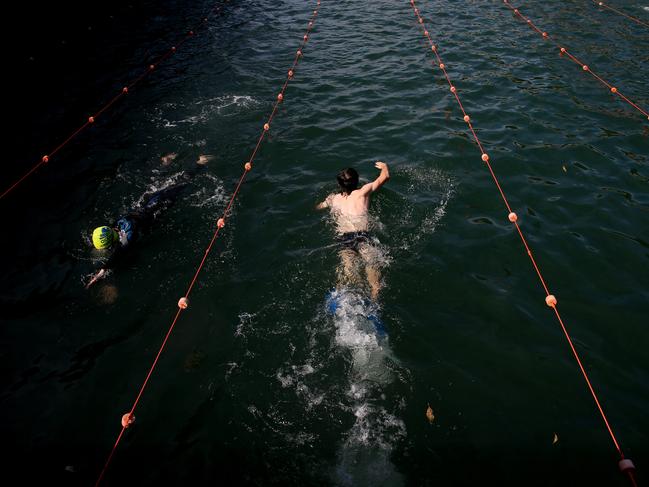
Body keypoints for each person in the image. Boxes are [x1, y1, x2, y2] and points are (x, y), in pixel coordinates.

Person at [86, 165, 201, 288]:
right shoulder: (115, 225)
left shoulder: (127, 238)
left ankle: (200, 164)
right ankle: (169, 162)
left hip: (160, 204)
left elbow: (118, 255)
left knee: (183, 184)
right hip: (150, 203)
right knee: (168, 185)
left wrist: (101, 272)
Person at [317, 161, 390, 300]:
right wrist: (384, 167)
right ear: (357, 181)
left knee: (348, 273)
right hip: (362, 236)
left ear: (339, 184)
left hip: (344, 239)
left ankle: (346, 297)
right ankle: (373, 304)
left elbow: (319, 207)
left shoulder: (334, 198)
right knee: (374, 280)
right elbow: (385, 177)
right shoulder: (363, 192)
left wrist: (326, 202)